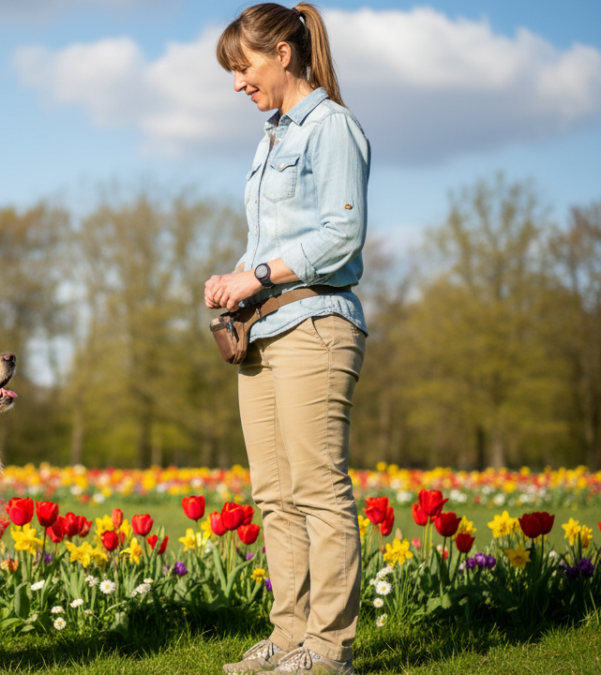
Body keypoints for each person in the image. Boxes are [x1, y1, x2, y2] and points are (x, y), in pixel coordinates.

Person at [203, 3, 369, 674]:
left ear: (283, 54)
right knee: (272, 493)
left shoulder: (331, 128)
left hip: (317, 325)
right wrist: (239, 277)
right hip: (267, 328)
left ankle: (329, 649)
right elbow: (273, 238)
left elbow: (341, 235)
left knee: (317, 488)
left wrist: (261, 273)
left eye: (244, 68)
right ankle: (290, 636)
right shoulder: (271, 137)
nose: (238, 84)